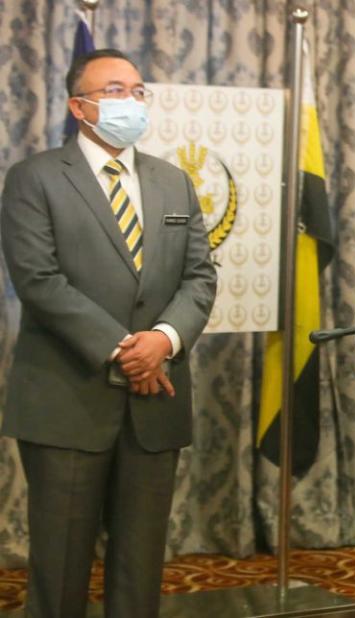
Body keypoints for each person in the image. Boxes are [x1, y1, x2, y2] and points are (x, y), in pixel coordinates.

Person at [0, 49, 217, 617]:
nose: (132, 102)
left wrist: (163, 341)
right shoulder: (35, 178)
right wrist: (127, 351)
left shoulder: (174, 182)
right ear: (79, 106)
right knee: (61, 566)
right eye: (115, 91)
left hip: (157, 398)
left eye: (139, 91)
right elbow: (39, 281)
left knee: (140, 568)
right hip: (68, 399)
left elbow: (199, 276)